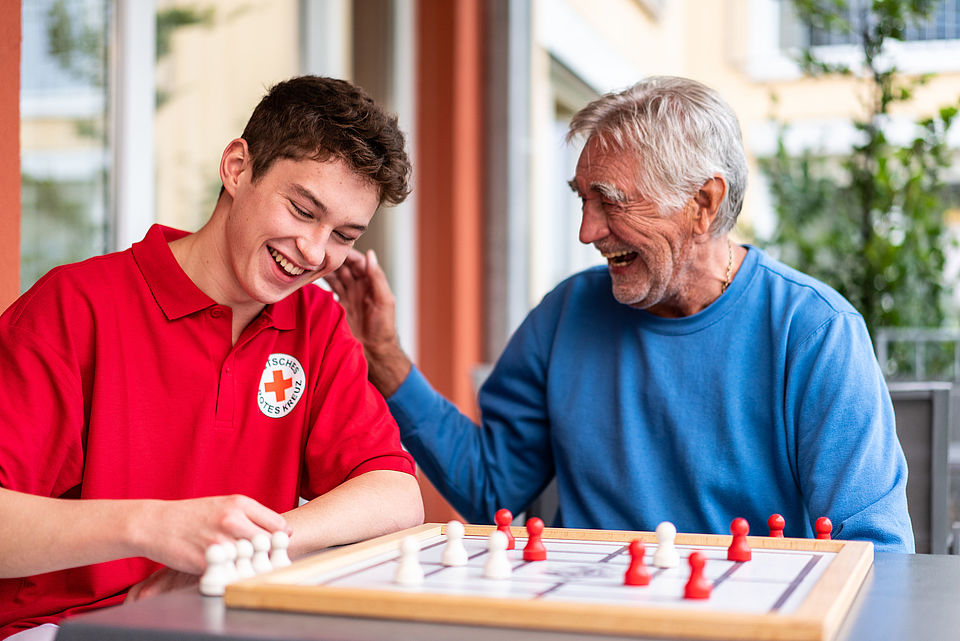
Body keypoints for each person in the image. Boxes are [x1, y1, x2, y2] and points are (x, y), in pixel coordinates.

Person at [327, 76, 914, 552]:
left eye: (609, 200)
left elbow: (875, 554)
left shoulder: (814, 332)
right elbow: (491, 489)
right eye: (582, 199)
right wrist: (383, 355)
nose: (587, 231)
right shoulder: (566, 314)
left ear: (703, 204)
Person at [0, 76, 424, 639]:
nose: (316, 253)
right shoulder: (74, 306)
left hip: (226, 622)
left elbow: (397, 495)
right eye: (302, 210)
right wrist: (156, 528)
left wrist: (230, 555)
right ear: (237, 167)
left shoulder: (316, 326)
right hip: (66, 627)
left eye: (344, 234)